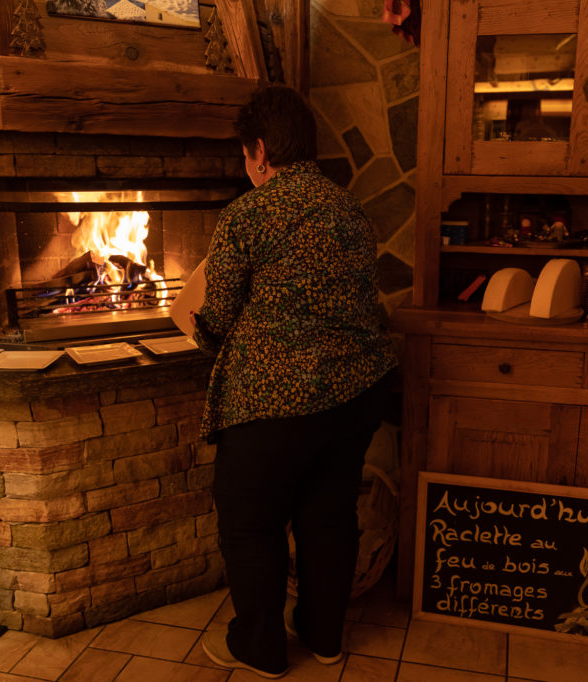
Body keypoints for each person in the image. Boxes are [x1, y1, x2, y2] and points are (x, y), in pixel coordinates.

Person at [191, 84, 398, 678]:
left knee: (249, 522)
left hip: (275, 400)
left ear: (258, 150)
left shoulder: (246, 215)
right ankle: (323, 633)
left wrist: (199, 331)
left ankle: (259, 647)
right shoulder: (351, 208)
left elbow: (221, 316)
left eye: (243, 154)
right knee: (328, 512)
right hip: (358, 390)